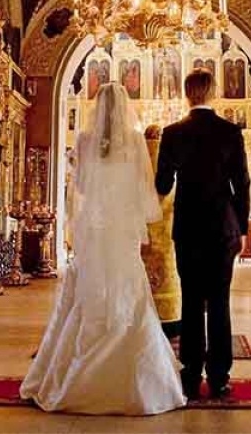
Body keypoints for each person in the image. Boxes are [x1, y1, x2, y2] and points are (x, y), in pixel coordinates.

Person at [20, 84, 185, 415]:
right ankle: (136, 379)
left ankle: (76, 376)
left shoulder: (84, 140)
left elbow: (81, 186)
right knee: (127, 290)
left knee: (91, 290)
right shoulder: (135, 141)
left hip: (96, 227)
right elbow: (144, 189)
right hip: (122, 228)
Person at [155, 68, 251, 400]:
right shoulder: (230, 132)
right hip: (223, 228)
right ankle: (220, 378)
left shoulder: (173, 133)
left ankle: (191, 375)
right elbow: (242, 184)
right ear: (213, 92)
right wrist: (241, 226)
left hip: (188, 228)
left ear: (186, 94)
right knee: (220, 302)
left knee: (192, 301)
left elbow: (163, 184)